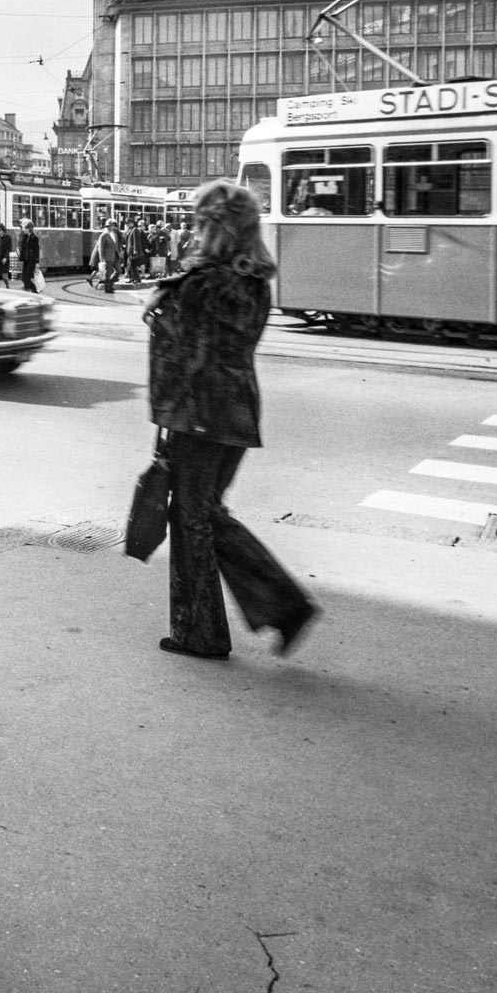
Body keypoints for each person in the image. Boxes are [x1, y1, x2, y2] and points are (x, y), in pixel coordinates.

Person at [142, 179, 319, 662]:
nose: (195, 232)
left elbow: (182, 355)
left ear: (216, 228)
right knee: (205, 511)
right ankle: (279, 607)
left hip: (200, 414)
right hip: (237, 412)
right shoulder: (254, 280)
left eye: (201, 223)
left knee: (193, 516)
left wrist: (159, 310)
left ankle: (206, 630)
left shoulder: (204, 284)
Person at [96, 220, 122, 294]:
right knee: (108, 273)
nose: (109, 227)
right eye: (108, 226)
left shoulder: (115, 234)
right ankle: (108, 288)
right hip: (108, 257)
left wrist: (119, 254)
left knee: (119, 271)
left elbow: (116, 245)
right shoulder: (103, 235)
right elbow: (100, 248)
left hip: (115, 256)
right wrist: (102, 258)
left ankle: (110, 283)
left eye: (111, 226)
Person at [18, 218, 41, 293]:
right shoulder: (24, 237)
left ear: (28, 229)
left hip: (31, 260)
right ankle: (31, 289)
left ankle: (31, 289)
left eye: (24, 228)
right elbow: (23, 247)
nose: (23, 230)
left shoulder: (35, 238)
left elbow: (36, 250)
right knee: (23, 277)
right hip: (25, 259)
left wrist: (37, 262)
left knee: (27, 276)